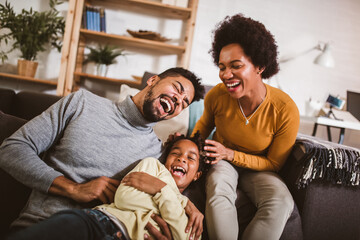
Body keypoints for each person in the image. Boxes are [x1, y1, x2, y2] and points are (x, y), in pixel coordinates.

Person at [0, 67, 205, 239]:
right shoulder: (82, 103)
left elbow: (167, 193)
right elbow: (12, 149)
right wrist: (73, 189)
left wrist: (188, 206)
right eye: (176, 89)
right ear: (153, 80)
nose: (178, 100)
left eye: (184, 103)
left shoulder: (157, 154)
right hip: (44, 225)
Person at [191, 14, 300, 240]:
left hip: (260, 169)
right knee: (219, 186)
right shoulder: (217, 96)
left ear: (260, 66)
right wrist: (187, 146)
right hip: (221, 161)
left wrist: (230, 154)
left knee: (281, 201)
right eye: (222, 67)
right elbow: (201, 129)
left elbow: (274, 164)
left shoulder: (285, 108)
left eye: (235, 66)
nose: (225, 75)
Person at [6, 132, 210, 240]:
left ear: (197, 175)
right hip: (100, 220)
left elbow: (185, 236)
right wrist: (169, 208)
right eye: (176, 153)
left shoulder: (193, 214)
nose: (182, 159)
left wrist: (160, 190)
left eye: (190, 158)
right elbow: (125, 197)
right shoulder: (153, 166)